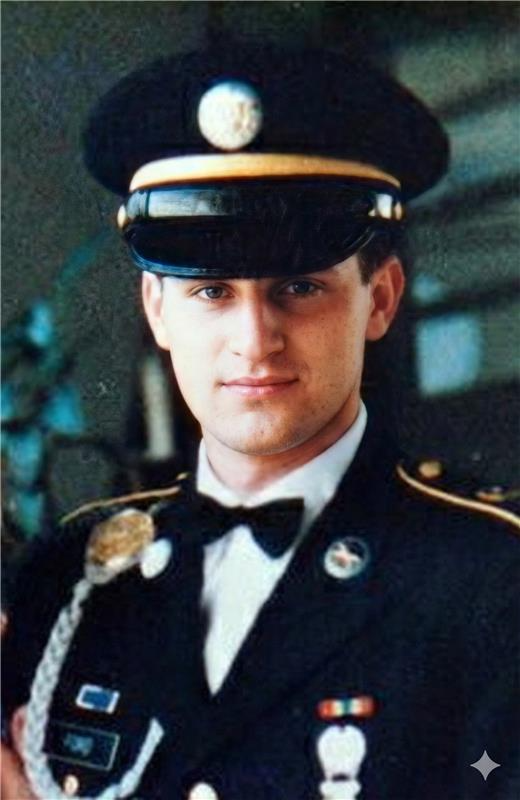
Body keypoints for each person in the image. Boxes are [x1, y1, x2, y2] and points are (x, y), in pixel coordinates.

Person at [2, 46, 519, 800]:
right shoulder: (73, 581)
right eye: (212, 292)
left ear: (379, 299)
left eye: (299, 288)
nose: (254, 339)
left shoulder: (489, 583)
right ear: (157, 310)